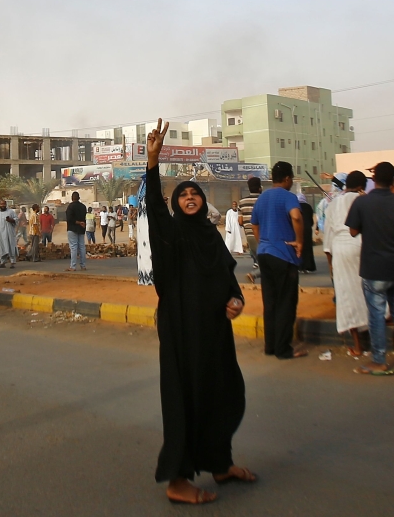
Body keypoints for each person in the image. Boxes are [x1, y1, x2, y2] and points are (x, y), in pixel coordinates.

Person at [145, 119, 253, 505]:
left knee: (221, 392)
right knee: (184, 398)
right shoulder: (170, 233)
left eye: (195, 193)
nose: (190, 196)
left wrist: (236, 299)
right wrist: (152, 162)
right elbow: (154, 208)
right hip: (182, 330)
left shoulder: (210, 234)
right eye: (183, 194)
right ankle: (177, 480)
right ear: (176, 203)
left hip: (214, 331)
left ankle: (220, 464)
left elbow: (228, 275)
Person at [346, 161, 394, 374]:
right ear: (392, 180)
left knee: (376, 313)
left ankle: (379, 359)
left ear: (373, 180)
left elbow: (353, 231)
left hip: (374, 266)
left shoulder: (362, 203)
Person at [251, 161, 307, 359]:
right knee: (286, 303)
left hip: (265, 253)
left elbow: (254, 224)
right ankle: (284, 349)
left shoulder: (262, 197)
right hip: (284, 255)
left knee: (271, 302)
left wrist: (263, 242)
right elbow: (297, 217)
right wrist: (299, 241)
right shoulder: (288, 196)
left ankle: (271, 345)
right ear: (288, 179)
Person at [322, 170, 368, 355]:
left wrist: (331, 265)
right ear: (360, 187)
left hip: (339, 248)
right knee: (368, 291)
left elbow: (328, 238)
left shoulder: (333, 205)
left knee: (346, 296)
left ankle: (357, 346)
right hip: (362, 245)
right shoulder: (362, 200)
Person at [238, 177, 263, 270]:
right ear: (260, 188)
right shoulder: (264, 200)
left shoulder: (242, 202)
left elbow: (240, 221)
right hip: (264, 235)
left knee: (257, 256)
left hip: (249, 234)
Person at [65, 191, 87, 271]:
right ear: (79, 198)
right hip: (81, 229)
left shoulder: (70, 207)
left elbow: (69, 219)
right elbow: (84, 218)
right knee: (82, 247)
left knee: (73, 248)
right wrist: (81, 223)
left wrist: (77, 222)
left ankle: (73, 266)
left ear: (72, 198)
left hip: (72, 228)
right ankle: (83, 265)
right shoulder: (83, 207)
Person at [0, 199, 18, 268]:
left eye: (4, 204)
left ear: (6, 204)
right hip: (1, 234)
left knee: (11, 246)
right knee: (2, 247)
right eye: (1, 204)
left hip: (9, 233)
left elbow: (16, 220)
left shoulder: (11, 212)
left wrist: (10, 220)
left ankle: (12, 262)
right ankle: (2, 262)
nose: (3, 205)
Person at [297, 193, 316, 273]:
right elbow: (311, 221)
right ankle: (308, 266)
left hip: (298, 229)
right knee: (308, 248)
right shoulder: (308, 207)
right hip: (308, 229)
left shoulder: (296, 206)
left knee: (299, 247)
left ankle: (300, 266)